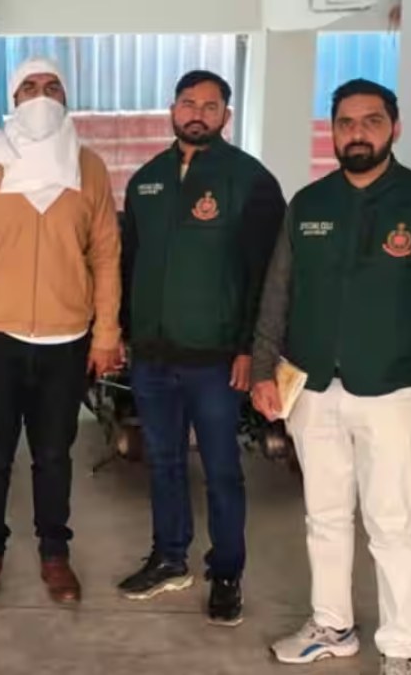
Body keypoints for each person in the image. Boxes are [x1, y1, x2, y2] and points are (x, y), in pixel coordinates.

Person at [251, 79, 411, 675]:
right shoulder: (309, 204)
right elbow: (277, 294)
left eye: (371, 121)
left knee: (393, 524)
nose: (357, 133)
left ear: (394, 128)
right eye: (346, 122)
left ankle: (399, 649)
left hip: (391, 390)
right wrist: (262, 369)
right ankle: (332, 626)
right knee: (324, 516)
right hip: (313, 389)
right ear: (332, 131)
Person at [0, 57, 122, 605]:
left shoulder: (88, 167)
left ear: (66, 96)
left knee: (54, 455)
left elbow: (106, 254)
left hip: (67, 340)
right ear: (13, 99)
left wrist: (106, 333)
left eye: (52, 87)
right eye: (30, 88)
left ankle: (55, 554)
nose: (41, 96)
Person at [117, 70, 286, 626]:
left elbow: (267, 276)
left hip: (217, 360)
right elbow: (129, 265)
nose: (197, 114)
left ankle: (227, 572)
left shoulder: (251, 181)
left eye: (210, 106)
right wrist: (126, 332)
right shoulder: (146, 181)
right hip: (153, 357)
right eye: (188, 103)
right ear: (173, 109)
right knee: (163, 463)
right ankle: (169, 558)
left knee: (221, 471)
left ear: (226, 117)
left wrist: (250, 350)